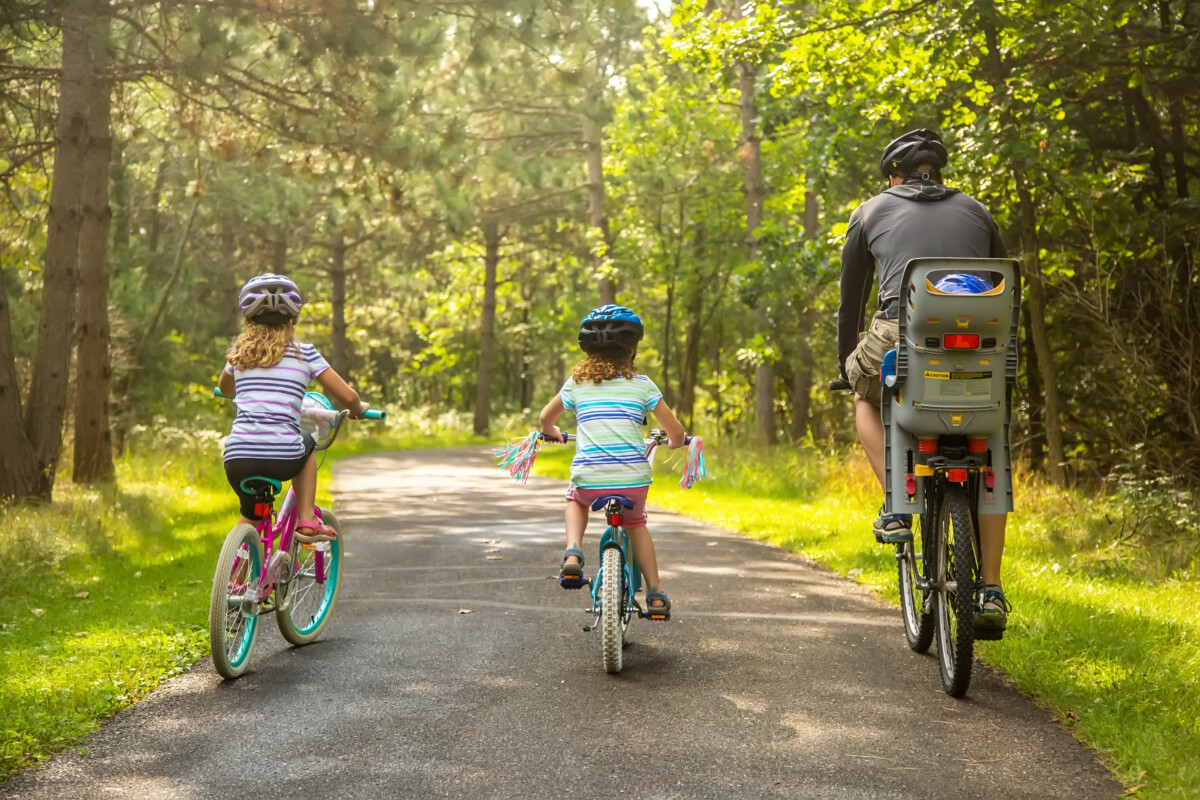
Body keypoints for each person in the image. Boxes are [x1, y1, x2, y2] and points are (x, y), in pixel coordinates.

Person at [836, 128, 1012, 633]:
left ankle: (896, 504)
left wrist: (846, 368)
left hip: (901, 337)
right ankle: (993, 589)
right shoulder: (977, 210)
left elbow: (851, 303)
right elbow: (1002, 280)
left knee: (865, 398)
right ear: (941, 174)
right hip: (982, 343)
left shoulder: (870, 210)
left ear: (894, 176)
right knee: (991, 440)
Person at [538, 304, 686, 616]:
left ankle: (573, 553)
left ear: (588, 350)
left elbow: (545, 418)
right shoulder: (643, 384)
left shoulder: (576, 383)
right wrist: (674, 443)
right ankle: (656, 593)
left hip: (589, 477)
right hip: (632, 479)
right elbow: (675, 430)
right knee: (637, 524)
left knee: (575, 500)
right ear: (632, 349)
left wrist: (552, 432)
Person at [217, 273, 367, 542]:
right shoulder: (305, 353)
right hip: (283, 455)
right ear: (292, 319)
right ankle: (307, 520)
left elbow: (227, 389)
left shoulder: (239, 355)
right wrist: (357, 408)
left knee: (253, 514)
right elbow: (347, 396)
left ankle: (232, 581)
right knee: (307, 442)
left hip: (238, 456)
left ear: (248, 320)